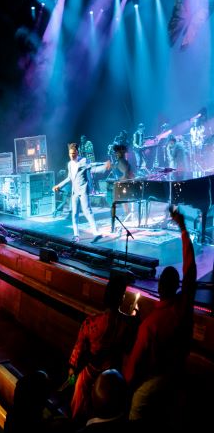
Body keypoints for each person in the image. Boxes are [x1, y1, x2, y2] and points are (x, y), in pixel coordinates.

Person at [123, 205, 196, 387]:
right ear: (176, 285)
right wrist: (183, 228)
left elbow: (133, 367)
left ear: (160, 286)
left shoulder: (151, 325)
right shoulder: (183, 308)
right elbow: (191, 270)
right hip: (179, 376)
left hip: (152, 384)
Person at [67, 274, 138, 422]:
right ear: (122, 298)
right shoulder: (127, 324)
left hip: (89, 373)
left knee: (77, 411)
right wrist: (134, 316)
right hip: (111, 376)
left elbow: (76, 353)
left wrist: (72, 379)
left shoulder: (91, 322)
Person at [53, 143, 111, 241]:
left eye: (74, 153)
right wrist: (59, 185)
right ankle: (76, 235)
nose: (72, 155)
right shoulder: (70, 164)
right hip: (74, 192)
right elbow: (69, 178)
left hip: (83, 190)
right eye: (70, 153)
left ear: (77, 152)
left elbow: (93, 165)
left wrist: (105, 165)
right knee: (74, 213)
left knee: (87, 211)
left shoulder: (83, 161)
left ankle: (95, 232)